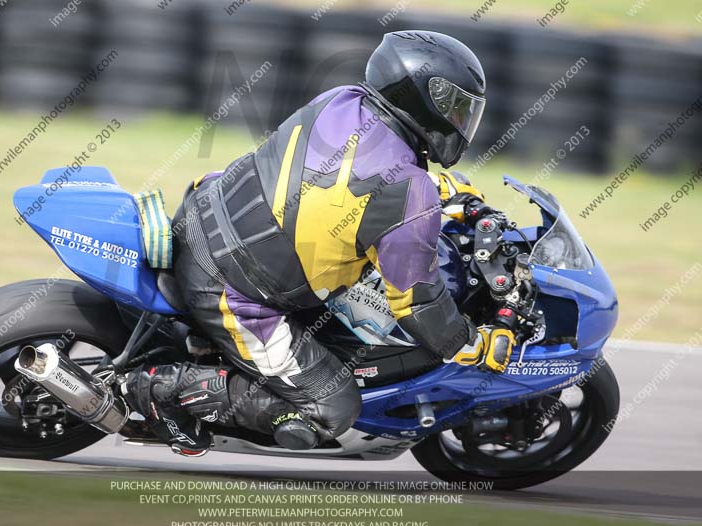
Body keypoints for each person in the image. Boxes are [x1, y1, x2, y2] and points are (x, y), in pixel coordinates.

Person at [122, 31, 515, 456]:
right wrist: (472, 345)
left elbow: (339, 180)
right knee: (332, 406)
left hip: (204, 211)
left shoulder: (342, 102)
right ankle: (156, 388)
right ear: (424, 98)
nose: (460, 121)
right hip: (230, 291)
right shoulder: (407, 192)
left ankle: (206, 354)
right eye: (455, 108)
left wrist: (440, 192)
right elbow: (416, 303)